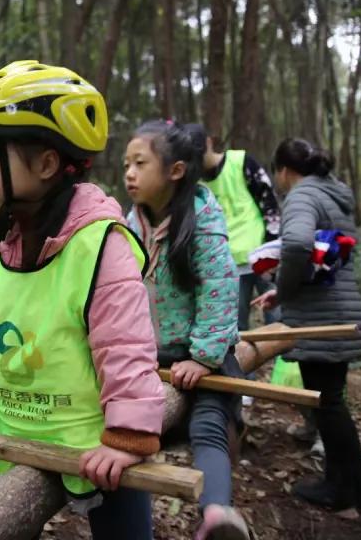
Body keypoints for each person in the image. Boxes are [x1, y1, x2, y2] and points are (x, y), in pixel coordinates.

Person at [0, 61, 165, 540]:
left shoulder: (100, 244)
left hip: (95, 438)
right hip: (12, 430)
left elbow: (126, 346)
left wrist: (129, 436)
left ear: (47, 164)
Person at [123, 121, 249, 540]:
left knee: (209, 422)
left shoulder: (203, 221)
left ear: (175, 171)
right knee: (126, 428)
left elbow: (220, 288)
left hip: (201, 355)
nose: (129, 173)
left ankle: (217, 514)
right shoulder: (131, 221)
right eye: (127, 164)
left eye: (140, 163)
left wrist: (204, 357)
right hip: (150, 354)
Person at [252, 138, 361, 515]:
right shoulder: (334, 195)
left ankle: (344, 491)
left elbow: (298, 245)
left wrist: (283, 289)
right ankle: (350, 486)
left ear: (285, 171)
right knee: (331, 403)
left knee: (328, 405)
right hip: (339, 310)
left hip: (322, 319)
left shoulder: (302, 197)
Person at [201, 137, 281, 333]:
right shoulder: (194, 182)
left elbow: (268, 200)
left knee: (278, 318)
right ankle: (241, 364)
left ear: (208, 143)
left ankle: (286, 363)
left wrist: (273, 244)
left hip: (262, 253)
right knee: (236, 328)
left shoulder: (241, 161)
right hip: (228, 263)